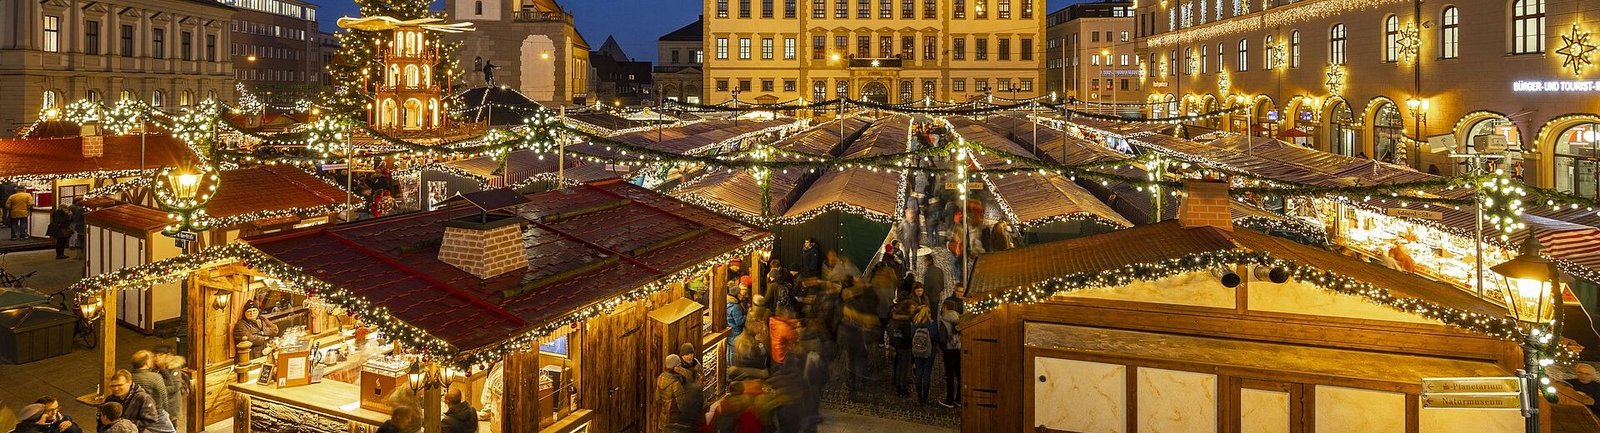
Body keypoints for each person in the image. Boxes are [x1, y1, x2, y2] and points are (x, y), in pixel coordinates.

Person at [102, 369, 172, 433]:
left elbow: (150, 418)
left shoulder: (143, 398)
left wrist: (127, 426)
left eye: (120, 385)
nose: (116, 388)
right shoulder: (110, 399)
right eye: (113, 386)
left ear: (129, 383)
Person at [938, 284, 966, 408]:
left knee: (950, 375)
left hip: (949, 350)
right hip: (959, 349)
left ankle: (949, 400)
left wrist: (941, 346)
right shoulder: (960, 319)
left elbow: (942, 338)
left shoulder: (944, 320)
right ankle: (959, 399)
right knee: (959, 374)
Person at [129, 351, 170, 424]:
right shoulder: (155, 377)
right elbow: (163, 396)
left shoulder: (129, 377)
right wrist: (166, 414)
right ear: (147, 363)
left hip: (135, 415)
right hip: (155, 414)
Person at [910, 304, 938, 405]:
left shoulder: (915, 323)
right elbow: (935, 338)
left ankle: (919, 397)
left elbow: (911, 337)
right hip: (929, 352)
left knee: (918, 373)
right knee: (926, 374)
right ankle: (925, 398)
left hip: (917, 351)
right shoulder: (932, 324)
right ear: (928, 313)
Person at [655, 355, 688, 433]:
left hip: (664, 417)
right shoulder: (675, 383)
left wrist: (666, 403)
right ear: (672, 367)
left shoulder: (660, 378)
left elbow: (657, 399)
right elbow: (682, 405)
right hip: (675, 419)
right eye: (678, 366)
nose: (680, 368)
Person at [15, 397, 82, 433]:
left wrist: (69, 424)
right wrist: (39, 425)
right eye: (50, 410)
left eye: (56, 408)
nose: (54, 412)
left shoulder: (60, 418)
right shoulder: (26, 427)